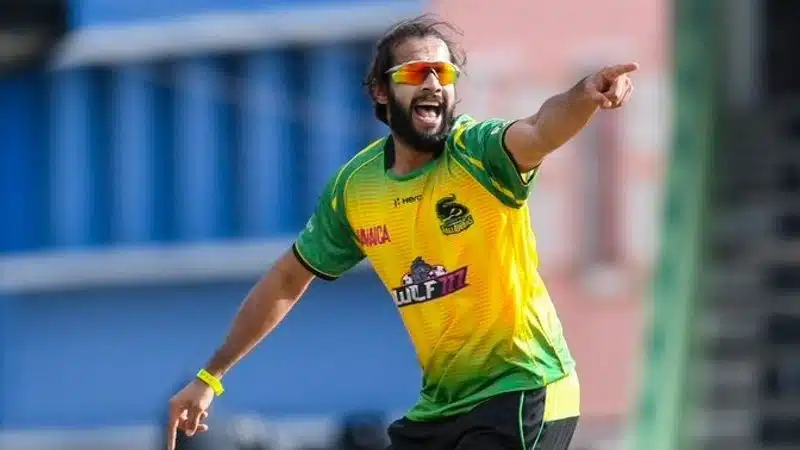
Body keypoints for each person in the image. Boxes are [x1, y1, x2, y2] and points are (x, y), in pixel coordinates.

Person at [166, 15, 637, 450]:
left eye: (443, 73)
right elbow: (287, 279)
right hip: (442, 406)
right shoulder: (357, 188)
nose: (433, 83)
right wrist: (211, 376)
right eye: (415, 73)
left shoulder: (479, 153)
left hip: (524, 388)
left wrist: (584, 96)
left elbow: (541, 128)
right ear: (380, 91)